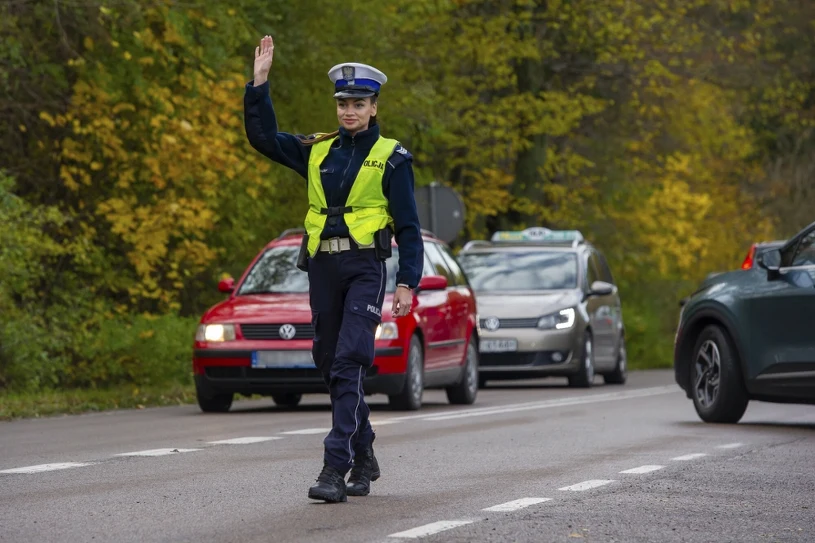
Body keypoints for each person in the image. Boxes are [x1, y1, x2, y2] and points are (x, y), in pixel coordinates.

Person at [243, 35, 424, 503]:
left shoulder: (393, 158)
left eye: (358, 104)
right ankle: (365, 453)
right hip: (323, 265)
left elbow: (408, 225)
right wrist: (258, 86)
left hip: (365, 266)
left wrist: (407, 282)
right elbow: (264, 138)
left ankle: (334, 466)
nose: (349, 111)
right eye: (343, 103)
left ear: (374, 107)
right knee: (328, 362)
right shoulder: (318, 150)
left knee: (349, 362)